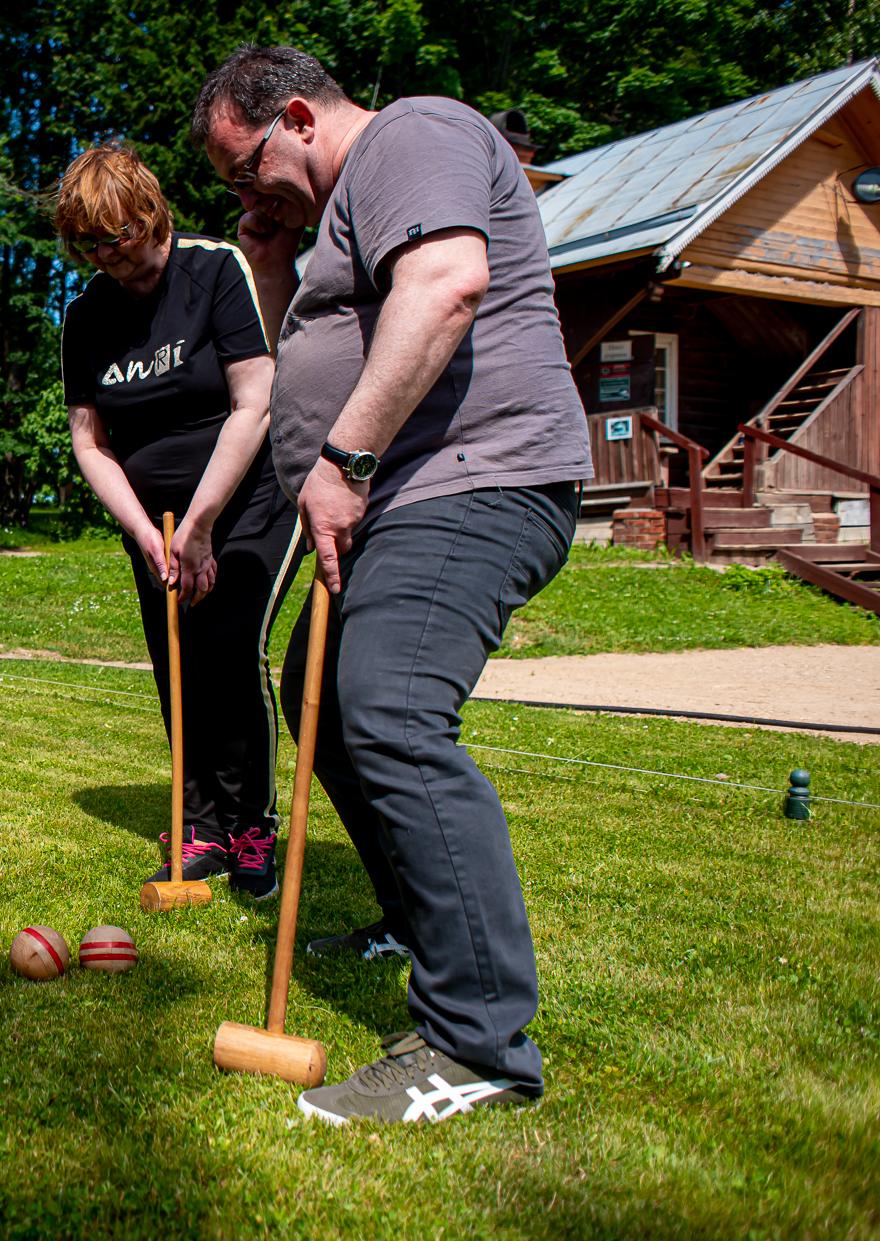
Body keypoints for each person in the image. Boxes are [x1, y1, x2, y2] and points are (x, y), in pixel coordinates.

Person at [193, 46, 592, 1122]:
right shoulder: (334, 212)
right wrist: (274, 259)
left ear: (294, 116)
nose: (248, 194)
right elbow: (324, 349)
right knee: (314, 707)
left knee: (389, 709)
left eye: (247, 171)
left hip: (471, 481)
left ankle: (477, 1041)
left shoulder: (412, 135)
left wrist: (347, 459)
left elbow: (447, 284)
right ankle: (416, 918)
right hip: (396, 500)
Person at [55, 144, 300, 900]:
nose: (107, 257)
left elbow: (254, 401)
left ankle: (250, 821)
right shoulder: (87, 314)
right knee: (178, 662)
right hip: (154, 520)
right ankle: (201, 825)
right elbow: (89, 440)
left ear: (150, 214)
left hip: (247, 495)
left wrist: (199, 525)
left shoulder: (213, 269)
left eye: (118, 237)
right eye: (90, 244)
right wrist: (144, 530)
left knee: (229, 646)